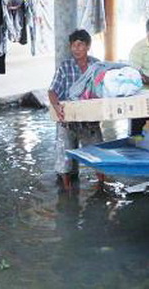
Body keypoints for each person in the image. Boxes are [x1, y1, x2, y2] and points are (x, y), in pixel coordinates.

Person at [48, 29, 103, 190]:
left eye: (80, 45)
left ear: (88, 46)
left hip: (90, 121)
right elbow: (52, 91)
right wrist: (56, 105)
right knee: (65, 158)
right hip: (67, 119)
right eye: (73, 45)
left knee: (98, 156)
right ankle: (67, 191)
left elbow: (105, 90)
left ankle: (101, 185)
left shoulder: (97, 65)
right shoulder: (65, 67)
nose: (76, 49)